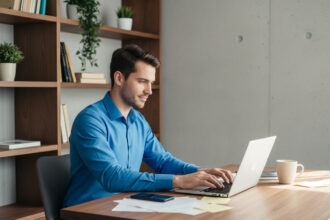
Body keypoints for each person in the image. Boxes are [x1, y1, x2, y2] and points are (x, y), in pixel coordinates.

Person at [63, 44, 233, 207]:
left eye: (151, 82)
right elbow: (112, 176)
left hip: (126, 206)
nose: (149, 90)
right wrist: (178, 181)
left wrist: (201, 172)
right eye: (142, 81)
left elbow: (163, 162)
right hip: (86, 211)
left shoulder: (138, 121)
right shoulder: (90, 120)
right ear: (119, 78)